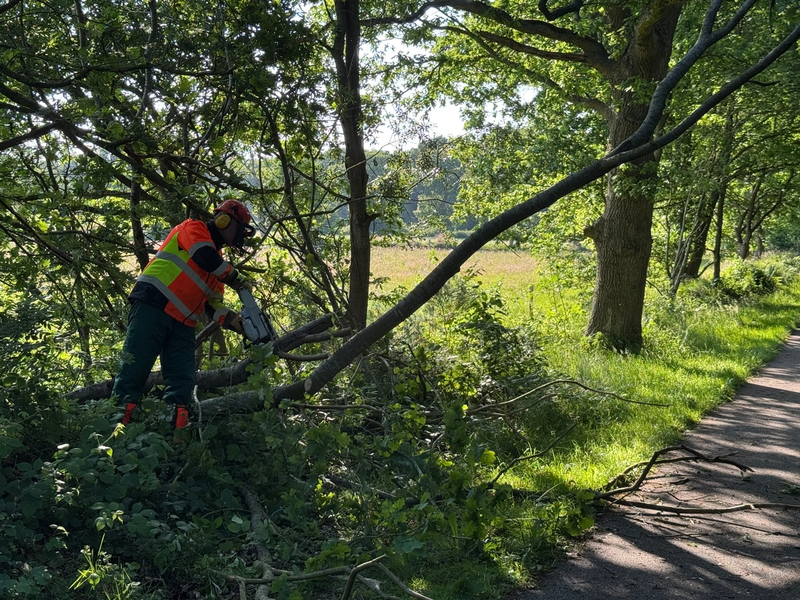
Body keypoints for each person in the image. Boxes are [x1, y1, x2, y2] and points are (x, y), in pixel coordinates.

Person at [113, 199, 255, 429]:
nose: (238, 238)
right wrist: (237, 280)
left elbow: (213, 306)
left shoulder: (216, 268)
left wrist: (237, 323)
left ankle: (173, 439)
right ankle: (115, 431)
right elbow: (204, 257)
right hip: (153, 304)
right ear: (224, 220)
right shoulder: (193, 228)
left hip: (183, 323)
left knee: (182, 384)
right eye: (238, 230)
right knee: (134, 371)